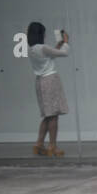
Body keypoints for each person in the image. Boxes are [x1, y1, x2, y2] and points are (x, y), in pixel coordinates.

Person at [26, 22, 69, 156]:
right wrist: (66, 42)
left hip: (40, 82)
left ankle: (39, 144)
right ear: (40, 34)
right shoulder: (43, 47)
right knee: (54, 116)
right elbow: (64, 53)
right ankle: (52, 146)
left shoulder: (32, 49)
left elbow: (52, 54)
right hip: (50, 81)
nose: (45, 35)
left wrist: (59, 44)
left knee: (47, 115)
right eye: (43, 32)